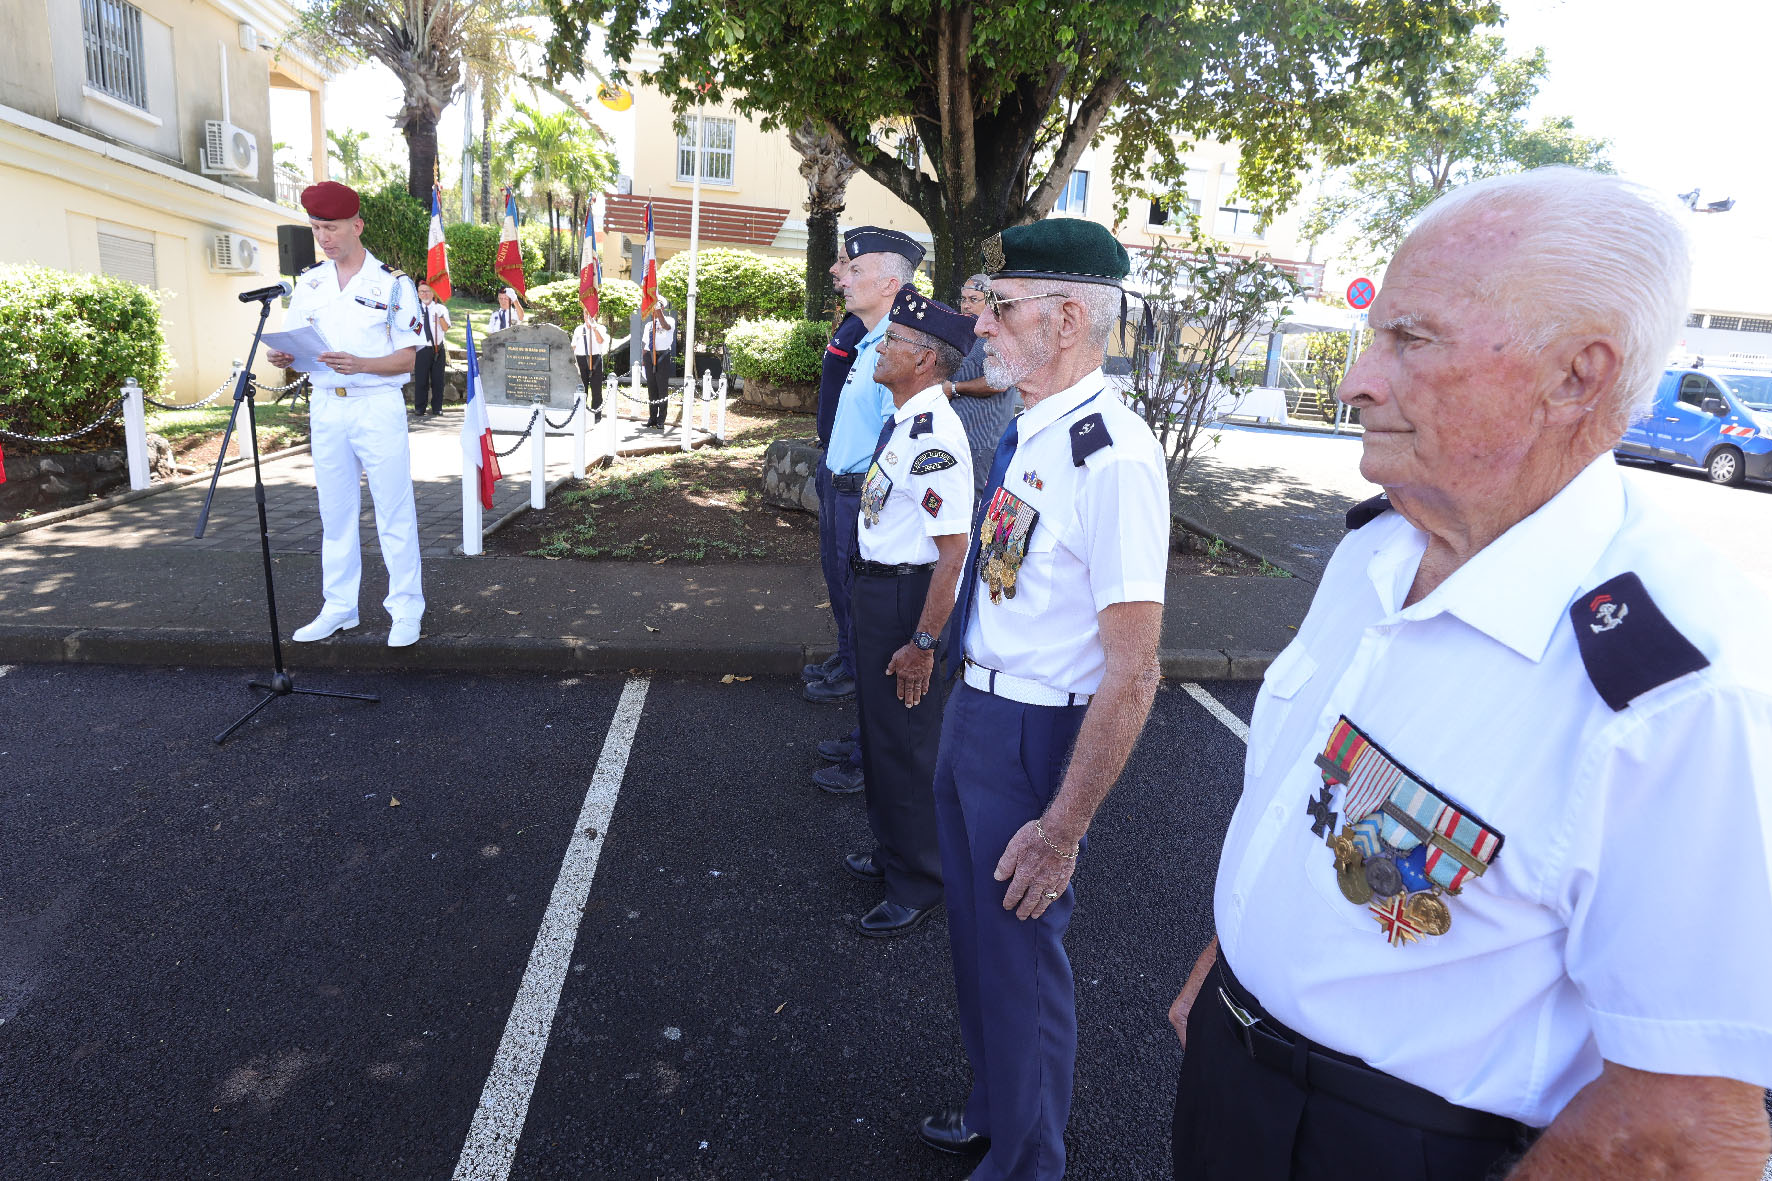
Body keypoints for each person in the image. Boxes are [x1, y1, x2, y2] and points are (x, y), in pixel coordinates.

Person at [1167, 168, 1772, 1181]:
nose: (1358, 380)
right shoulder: (1380, 546)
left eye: (1411, 339)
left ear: (1575, 377)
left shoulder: (1679, 695)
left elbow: (1677, 1132)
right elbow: (1312, 798)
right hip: (1234, 1066)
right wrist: (1239, 960)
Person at [919, 219, 1169, 1179]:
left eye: (1001, 305)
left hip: (1035, 730)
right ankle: (996, 1110)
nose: (981, 323)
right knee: (979, 940)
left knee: (1021, 957)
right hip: (978, 711)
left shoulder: (1114, 456)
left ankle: (1027, 1163)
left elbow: (1135, 670)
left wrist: (1062, 829)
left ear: (1067, 319)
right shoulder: (1038, 423)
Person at [845, 287, 977, 937]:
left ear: (925, 359)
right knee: (881, 736)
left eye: (893, 340)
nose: (881, 348)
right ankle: (892, 848)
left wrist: (923, 643)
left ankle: (920, 878)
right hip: (879, 592)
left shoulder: (935, 437)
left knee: (906, 744)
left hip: (907, 602)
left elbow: (953, 553)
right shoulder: (905, 419)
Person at [265, 180, 425, 648]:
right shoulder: (310, 282)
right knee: (334, 513)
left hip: (376, 404)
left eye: (331, 228)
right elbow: (298, 344)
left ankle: (405, 609)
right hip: (326, 406)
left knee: (394, 511)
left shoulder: (393, 284)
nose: (324, 237)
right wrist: (283, 357)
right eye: (316, 228)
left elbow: (408, 359)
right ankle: (339, 608)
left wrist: (362, 364)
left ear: (357, 226)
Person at [802, 226, 925, 804]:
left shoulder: (894, 351)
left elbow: (891, 445)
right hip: (842, 489)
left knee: (875, 630)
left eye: (855, 269)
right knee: (854, 616)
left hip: (863, 500)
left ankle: (870, 756)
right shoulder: (872, 337)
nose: (842, 277)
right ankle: (864, 739)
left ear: (890, 283)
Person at [947, 274, 1021, 503]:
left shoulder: (1000, 336)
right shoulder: (964, 334)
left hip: (981, 442)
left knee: (973, 504)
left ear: (991, 303)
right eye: (963, 299)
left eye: (973, 299)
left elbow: (1000, 383)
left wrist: (954, 388)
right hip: (957, 438)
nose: (966, 305)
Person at [410, 279, 450, 417]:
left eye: (427, 291)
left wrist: (440, 316)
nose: (425, 294)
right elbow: (412, 329)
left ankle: (437, 407)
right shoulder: (415, 309)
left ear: (433, 293)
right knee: (421, 380)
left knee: (438, 380)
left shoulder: (441, 309)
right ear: (418, 294)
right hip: (422, 349)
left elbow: (445, 328)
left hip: (437, 349)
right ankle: (420, 407)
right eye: (421, 291)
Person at [642, 300, 677, 430]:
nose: (654, 308)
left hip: (662, 356)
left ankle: (661, 420)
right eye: (653, 306)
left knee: (662, 389)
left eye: (657, 306)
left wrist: (657, 309)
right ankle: (652, 418)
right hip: (649, 356)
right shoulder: (648, 325)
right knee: (652, 389)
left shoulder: (669, 320)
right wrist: (644, 361)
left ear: (662, 307)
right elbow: (646, 344)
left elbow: (665, 326)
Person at [571, 308, 610, 419]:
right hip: (581, 360)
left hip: (595, 359)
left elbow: (600, 340)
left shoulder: (600, 328)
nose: (588, 316)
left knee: (596, 389)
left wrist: (594, 328)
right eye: (585, 313)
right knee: (581, 388)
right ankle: (581, 413)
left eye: (590, 313)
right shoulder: (579, 329)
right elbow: (573, 346)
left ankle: (596, 415)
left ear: (596, 315)